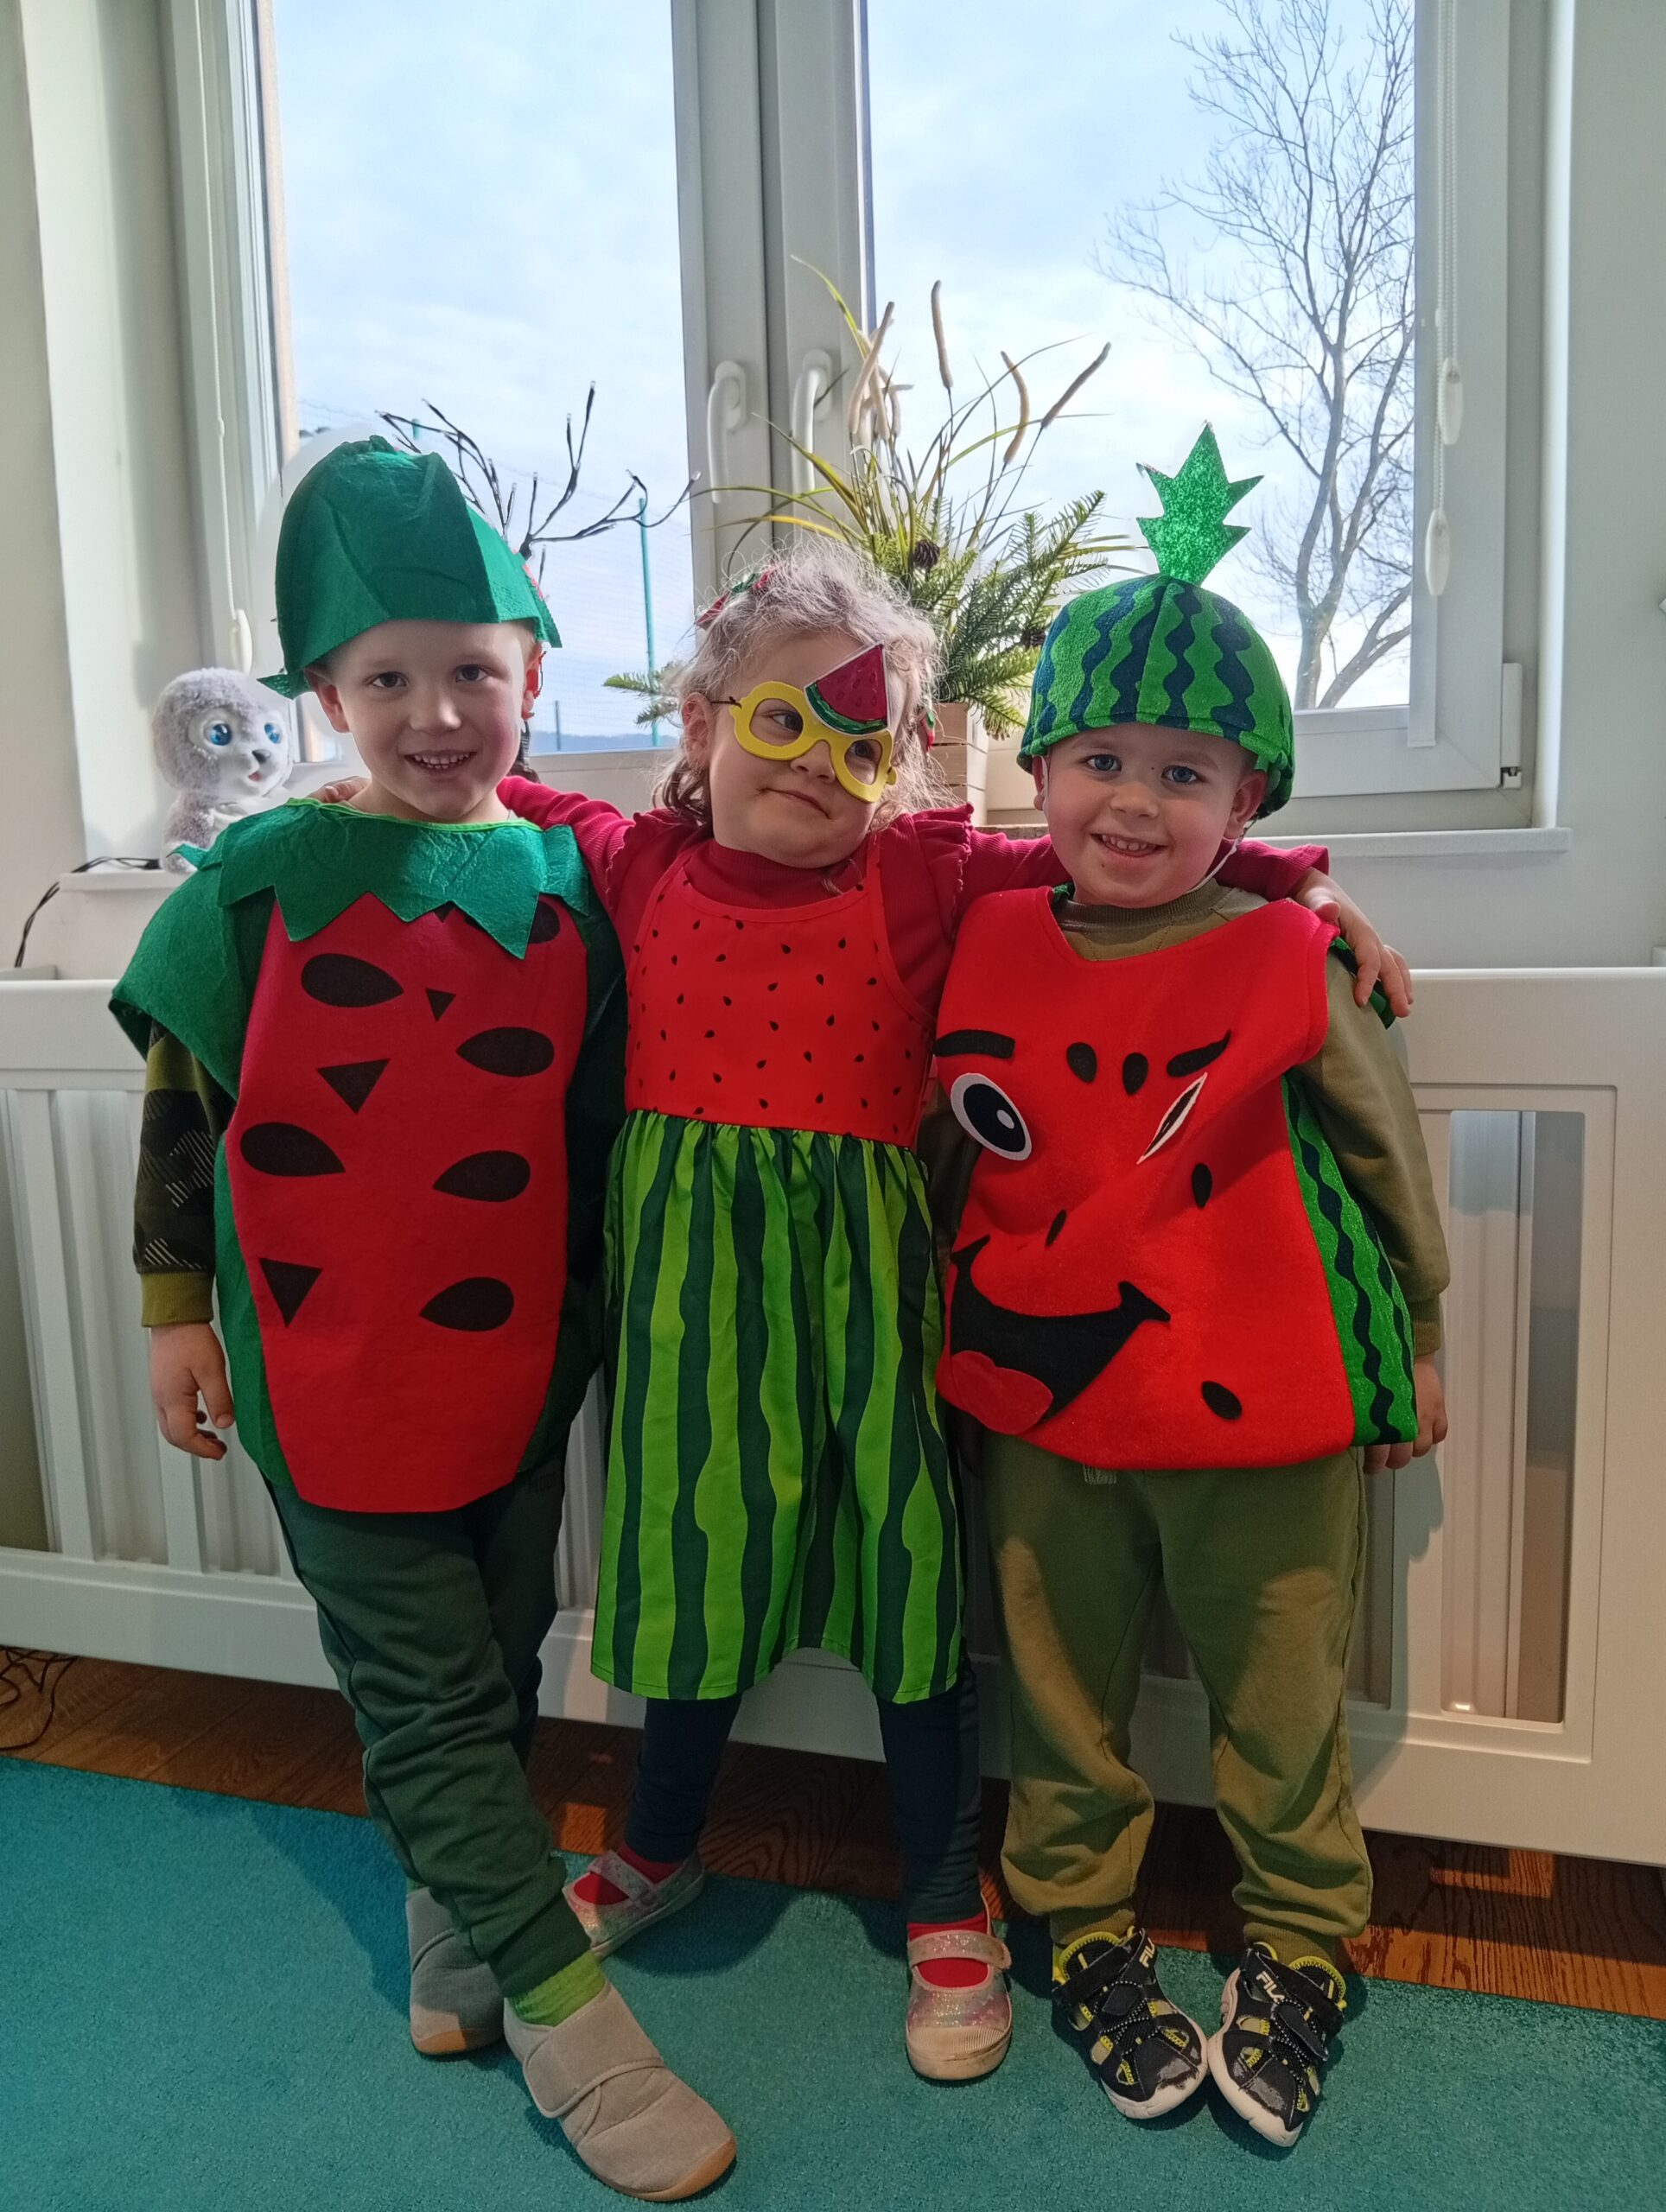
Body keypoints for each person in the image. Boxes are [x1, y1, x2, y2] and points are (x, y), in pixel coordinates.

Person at [475, 541, 1408, 2083]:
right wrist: (326, 799)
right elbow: (483, 792)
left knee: (911, 1584)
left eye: (861, 744)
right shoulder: (628, 864)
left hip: (876, 1302)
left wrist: (1301, 878)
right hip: (692, 1312)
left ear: (901, 766)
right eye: (782, 722)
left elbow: (1118, 849)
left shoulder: (921, 873)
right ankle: (657, 1843)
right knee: (692, 1565)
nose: (817, 766)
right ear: (700, 724)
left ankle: (940, 1889)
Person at [111, 437, 735, 2202]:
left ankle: (458, 1927)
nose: (438, 713)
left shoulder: (568, 884)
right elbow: (184, 1105)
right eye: (389, 680)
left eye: (471, 670)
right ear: (328, 695)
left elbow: (594, 1123)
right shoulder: (261, 876)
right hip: (321, 1362)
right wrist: (174, 1311)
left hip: (520, 1358)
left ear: (530, 670)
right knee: (422, 1692)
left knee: (496, 1654)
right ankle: (573, 2024)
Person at [930, 429, 1450, 2145]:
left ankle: (1298, 1946)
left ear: (1248, 802)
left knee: (1282, 1703)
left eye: (1183, 769)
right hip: (1043, 1403)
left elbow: (1383, 1165)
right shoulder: (981, 933)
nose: (1134, 801)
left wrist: (1415, 1340)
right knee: (1056, 1694)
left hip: (1269, 1404)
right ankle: (1078, 1929)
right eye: (1098, 759)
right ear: (1040, 772)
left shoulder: (1294, 951)